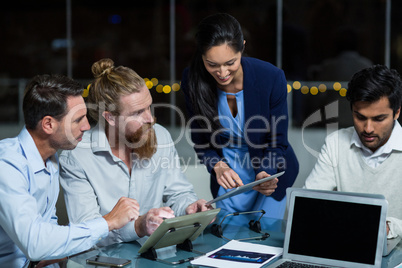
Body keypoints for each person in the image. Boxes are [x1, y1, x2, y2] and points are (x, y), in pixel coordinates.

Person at [59, 58, 211, 247]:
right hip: (106, 259)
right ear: (110, 117)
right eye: (137, 113)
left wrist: (189, 207)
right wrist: (138, 227)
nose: (150, 118)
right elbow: (85, 231)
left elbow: (179, 193)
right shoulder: (76, 157)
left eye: (149, 106)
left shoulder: (160, 136)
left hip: (158, 254)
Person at [0, 74, 140, 268]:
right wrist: (108, 222)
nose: (87, 126)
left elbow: (47, 232)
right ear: (48, 124)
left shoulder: (51, 158)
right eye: (78, 120)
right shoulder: (6, 164)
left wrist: (59, 253)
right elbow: (35, 244)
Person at [181, 13, 299, 218]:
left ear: (242, 47)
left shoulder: (270, 78)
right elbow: (201, 142)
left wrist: (266, 172)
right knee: (226, 234)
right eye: (212, 64)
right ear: (201, 56)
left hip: (269, 171)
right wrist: (217, 166)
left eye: (230, 62)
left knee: (264, 232)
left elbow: (278, 142)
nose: (222, 72)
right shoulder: (191, 79)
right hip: (228, 173)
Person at [304, 65, 402, 238]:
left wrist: (388, 227)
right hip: (346, 250)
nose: (368, 128)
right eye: (360, 117)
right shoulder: (336, 143)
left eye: (379, 119)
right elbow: (306, 203)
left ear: (396, 113)